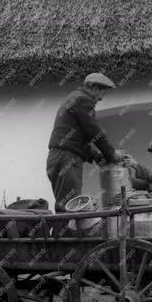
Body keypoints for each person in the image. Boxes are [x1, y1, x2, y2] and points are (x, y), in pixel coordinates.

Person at [47, 73, 125, 214]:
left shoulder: (73, 98)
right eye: (102, 92)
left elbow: (76, 138)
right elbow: (94, 132)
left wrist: (96, 156)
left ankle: (63, 234)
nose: (101, 98)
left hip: (58, 157)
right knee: (70, 208)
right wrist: (112, 153)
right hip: (67, 159)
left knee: (64, 205)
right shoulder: (83, 100)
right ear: (94, 87)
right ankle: (66, 235)